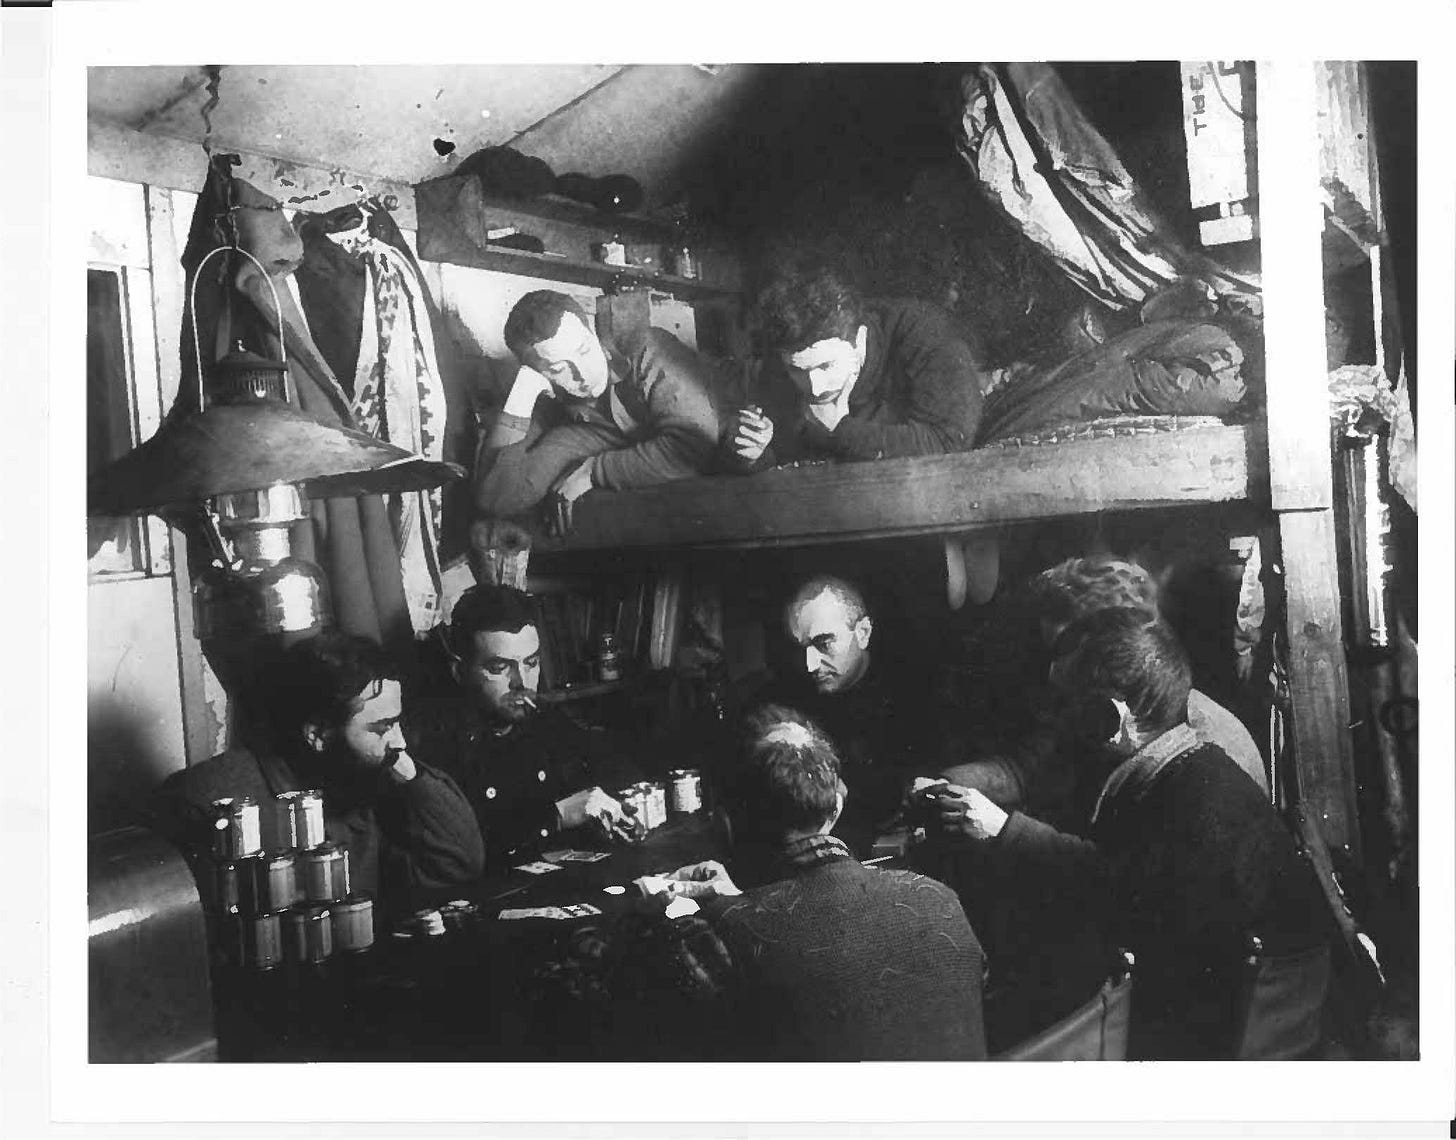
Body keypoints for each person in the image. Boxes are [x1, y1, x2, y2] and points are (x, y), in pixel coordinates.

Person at [928, 609, 1329, 1059]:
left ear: (1106, 718)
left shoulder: (1200, 800)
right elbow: (1124, 876)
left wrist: (1004, 831)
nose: (1054, 723)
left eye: (1063, 704)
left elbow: (1116, 898)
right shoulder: (1184, 768)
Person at [680, 705, 986, 1061]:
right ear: (836, 807)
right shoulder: (941, 901)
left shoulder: (721, 937)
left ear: (725, 824)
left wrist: (675, 911)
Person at [152, 632, 484, 917]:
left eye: (397, 724)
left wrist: (411, 776)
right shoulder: (211, 800)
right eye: (383, 727)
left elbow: (457, 864)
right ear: (318, 735)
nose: (400, 742)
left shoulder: (358, 784)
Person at [940, 554, 1268, 825]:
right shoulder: (1107, 706)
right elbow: (1025, 771)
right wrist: (945, 787)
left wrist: (1004, 830)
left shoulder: (1202, 753)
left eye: (1071, 647)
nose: (1059, 669)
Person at [411, 583, 639, 868]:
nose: (522, 682)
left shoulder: (544, 717)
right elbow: (468, 854)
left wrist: (616, 806)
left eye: (531, 663)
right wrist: (555, 816)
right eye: (500, 668)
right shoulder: (438, 748)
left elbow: (609, 768)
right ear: (460, 672)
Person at [475, 290, 721, 527]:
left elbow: (692, 448)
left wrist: (594, 471)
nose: (582, 374)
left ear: (592, 331)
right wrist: (523, 392)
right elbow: (496, 499)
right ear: (540, 373)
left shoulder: (648, 347)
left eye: (583, 350)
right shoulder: (559, 418)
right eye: (560, 368)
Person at [725, 260, 988, 469]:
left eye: (826, 366)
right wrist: (751, 454)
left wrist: (841, 430)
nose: (815, 388)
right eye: (798, 371)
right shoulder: (782, 355)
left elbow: (948, 444)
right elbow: (783, 454)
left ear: (860, 339)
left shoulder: (925, 334)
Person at [755, 574, 933, 855]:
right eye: (803, 648)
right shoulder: (784, 696)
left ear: (862, 633)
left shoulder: (913, 695)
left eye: (824, 644)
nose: (810, 665)